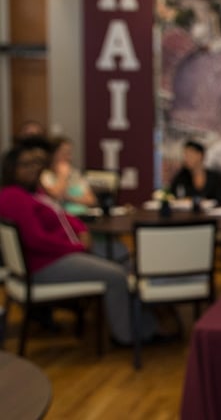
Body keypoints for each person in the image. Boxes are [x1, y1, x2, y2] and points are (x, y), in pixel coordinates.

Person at [0, 139, 158, 345]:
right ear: (11, 168)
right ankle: (128, 335)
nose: (33, 169)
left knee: (120, 255)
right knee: (117, 275)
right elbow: (35, 239)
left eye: (35, 163)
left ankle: (145, 322)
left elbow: (62, 214)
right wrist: (77, 247)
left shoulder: (34, 193)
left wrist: (81, 229)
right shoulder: (13, 197)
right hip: (44, 265)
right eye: (25, 164)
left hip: (59, 254)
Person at [40, 136, 98, 215]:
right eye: (64, 153)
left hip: (83, 216)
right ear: (52, 154)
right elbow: (56, 195)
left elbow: (91, 200)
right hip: (61, 218)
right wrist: (63, 176)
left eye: (69, 153)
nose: (68, 157)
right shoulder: (44, 175)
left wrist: (69, 198)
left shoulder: (74, 174)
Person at [167, 140, 221, 205]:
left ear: (200, 155)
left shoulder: (215, 177)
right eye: (185, 155)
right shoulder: (181, 176)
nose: (186, 158)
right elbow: (173, 197)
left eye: (190, 155)